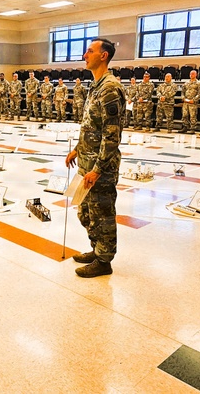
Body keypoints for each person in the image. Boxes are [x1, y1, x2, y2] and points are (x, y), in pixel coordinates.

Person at [65, 38, 125, 278]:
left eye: (90, 51)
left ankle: (104, 260)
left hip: (101, 168)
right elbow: (92, 126)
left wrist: (98, 170)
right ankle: (97, 248)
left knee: (103, 214)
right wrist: (78, 149)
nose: (84, 55)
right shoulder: (96, 85)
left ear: (104, 56)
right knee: (86, 212)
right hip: (86, 163)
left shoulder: (110, 88)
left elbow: (112, 136)